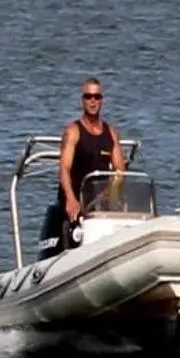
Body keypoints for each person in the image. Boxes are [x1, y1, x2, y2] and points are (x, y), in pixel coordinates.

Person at [42, 78, 127, 255]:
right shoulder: (73, 131)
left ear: (102, 100)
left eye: (96, 96)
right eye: (88, 97)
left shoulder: (111, 133)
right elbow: (64, 168)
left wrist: (111, 193)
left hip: (99, 203)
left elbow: (120, 170)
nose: (93, 101)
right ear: (83, 100)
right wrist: (71, 200)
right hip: (76, 204)